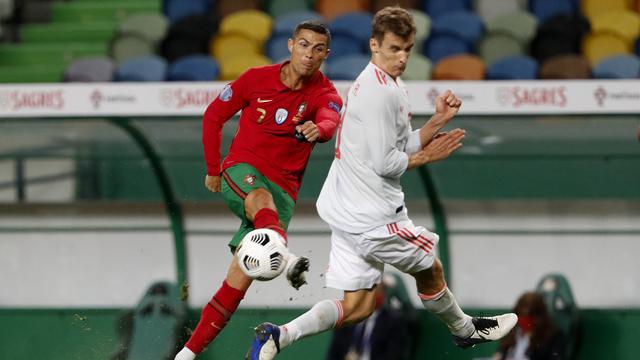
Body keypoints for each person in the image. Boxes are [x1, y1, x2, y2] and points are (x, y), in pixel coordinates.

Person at [245, 7, 517, 360]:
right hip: (374, 219)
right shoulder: (379, 94)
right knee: (430, 267)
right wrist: (428, 157)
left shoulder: (388, 84)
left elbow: (397, 146)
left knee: (357, 307)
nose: (402, 58)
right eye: (394, 49)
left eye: (407, 49)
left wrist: (434, 123)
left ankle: (278, 336)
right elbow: (386, 163)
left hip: (345, 210)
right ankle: (465, 330)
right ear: (374, 45)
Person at [173, 20, 343, 360]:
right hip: (243, 171)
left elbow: (330, 118)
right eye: (304, 45)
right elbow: (214, 116)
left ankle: (186, 354)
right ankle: (288, 259)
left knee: (238, 281)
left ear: (326, 54)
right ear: (291, 45)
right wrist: (212, 168)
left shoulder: (325, 93)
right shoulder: (255, 79)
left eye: (318, 49)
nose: (310, 54)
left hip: (283, 193)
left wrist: (319, 129)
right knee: (258, 197)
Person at [326, 274, 417, 360]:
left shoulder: (394, 324)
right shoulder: (346, 321)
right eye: (366, 291)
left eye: (376, 290)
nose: (371, 295)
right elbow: (333, 355)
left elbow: (395, 356)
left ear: (383, 293)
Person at [493, 292, 567, 360]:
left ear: (540, 316)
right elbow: (500, 354)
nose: (525, 320)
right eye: (521, 315)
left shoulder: (554, 336)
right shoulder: (511, 332)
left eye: (529, 316)